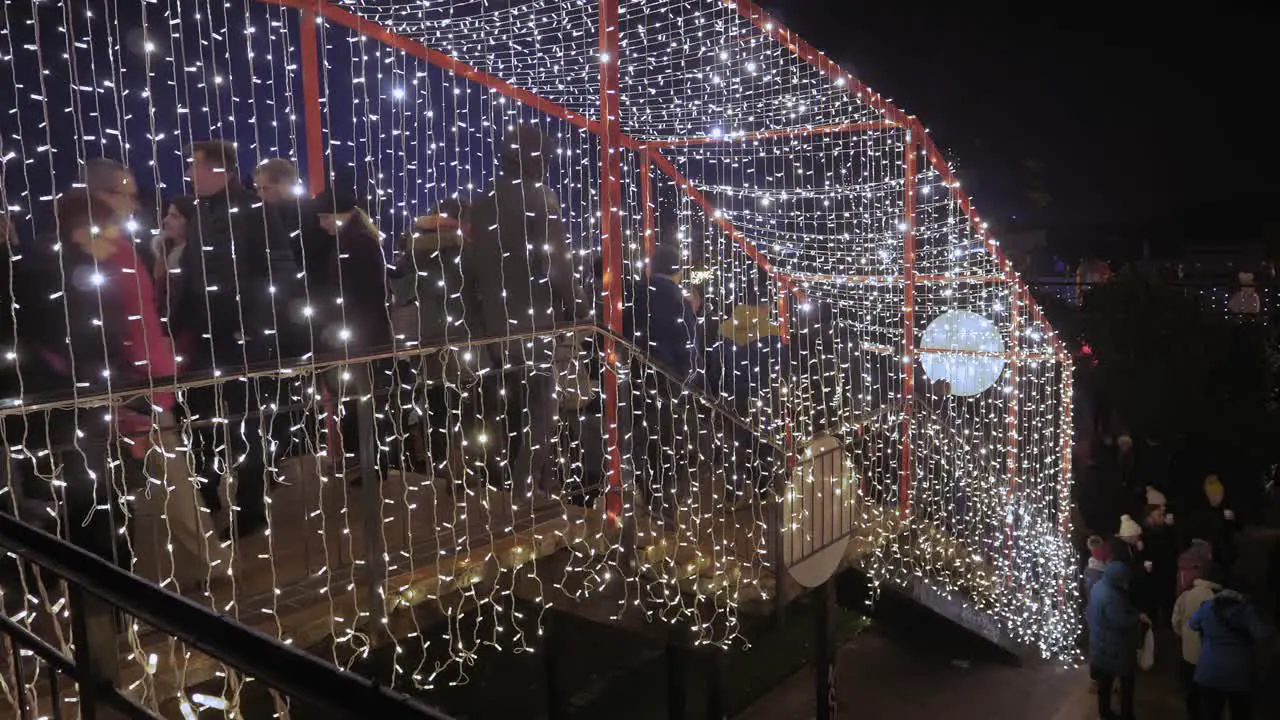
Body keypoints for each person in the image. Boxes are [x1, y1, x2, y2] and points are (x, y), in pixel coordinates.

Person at [178, 139, 297, 539]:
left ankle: (248, 513)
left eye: (196, 166)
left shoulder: (252, 211)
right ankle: (212, 504)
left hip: (241, 339)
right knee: (207, 424)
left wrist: (252, 324)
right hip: (206, 338)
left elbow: (278, 271)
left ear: (221, 170)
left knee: (246, 425)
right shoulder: (200, 212)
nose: (191, 173)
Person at [461, 125, 587, 499]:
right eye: (545, 158)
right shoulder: (540, 198)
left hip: (494, 328)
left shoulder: (481, 203)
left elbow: (467, 269)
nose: (547, 165)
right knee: (542, 408)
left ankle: (510, 485)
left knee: (509, 408)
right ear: (535, 160)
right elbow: (558, 264)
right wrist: (583, 309)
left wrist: (476, 322)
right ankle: (526, 487)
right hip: (535, 322)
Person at [311, 188, 392, 479]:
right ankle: (368, 463)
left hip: (358, 338)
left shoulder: (357, 244)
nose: (322, 224)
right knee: (361, 402)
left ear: (340, 214)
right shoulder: (357, 241)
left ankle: (370, 466)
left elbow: (362, 295)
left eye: (324, 217)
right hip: (359, 335)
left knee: (362, 402)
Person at [1188, 580, 1269, 720]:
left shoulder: (1207, 607)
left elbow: (1193, 624)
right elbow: (1261, 634)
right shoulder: (1246, 610)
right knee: (1240, 712)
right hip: (1238, 673)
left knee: (1211, 712)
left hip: (1210, 670)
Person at [1087, 561, 1147, 720]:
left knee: (1104, 684)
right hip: (1115, 647)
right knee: (1127, 683)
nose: (1127, 583)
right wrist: (1137, 618)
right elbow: (1121, 621)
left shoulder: (1099, 586)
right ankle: (1127, 715)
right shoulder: (1112, 597)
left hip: (1099, 643)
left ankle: (1104, 712)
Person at [1172, 563, 1222, 718]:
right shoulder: (1215, 597)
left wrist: (1182, 634)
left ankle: (1193, 713)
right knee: (1209, 687)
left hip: (1189, 649)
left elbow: (1176, 620)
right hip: (1209, 650)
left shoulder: (1186, 595)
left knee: (1191, 686)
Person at [1192, 475, 1239, 572]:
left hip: (1225, 555)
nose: (1217, 497)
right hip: (1207, 556)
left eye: (1219, 494)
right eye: (1213, 494)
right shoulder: (1202, 512)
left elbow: (1236, 529)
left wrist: (1233, 519)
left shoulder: (1226, 509)